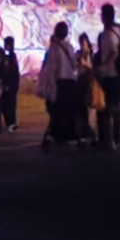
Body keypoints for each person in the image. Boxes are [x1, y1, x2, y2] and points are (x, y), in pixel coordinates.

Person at [38, 21, 80, 149]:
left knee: (56, 110)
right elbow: (74, 64)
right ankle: (68, 135)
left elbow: (51, 68)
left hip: (59, 81)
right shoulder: (69, 47)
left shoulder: (53, 49)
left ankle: (55, 135)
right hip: (70, 81)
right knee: (68, 111)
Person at [95, 3, 120, 149]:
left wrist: (103, 65)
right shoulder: (119, 30)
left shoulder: (107, 34)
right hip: (118, 75)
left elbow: (114, 52)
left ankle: (110, 138)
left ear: (105, 16)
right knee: (113, 107)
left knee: (107, 108)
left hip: (110, 75)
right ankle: (114, 137)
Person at [0, 36, 21, 132]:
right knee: (7, 103)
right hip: (11, 84)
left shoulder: (11, 57)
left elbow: (11, 72)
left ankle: (11, 122)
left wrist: (7, 84)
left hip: (10, 84)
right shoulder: (10, 56)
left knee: (6, 103)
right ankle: (11, 122)